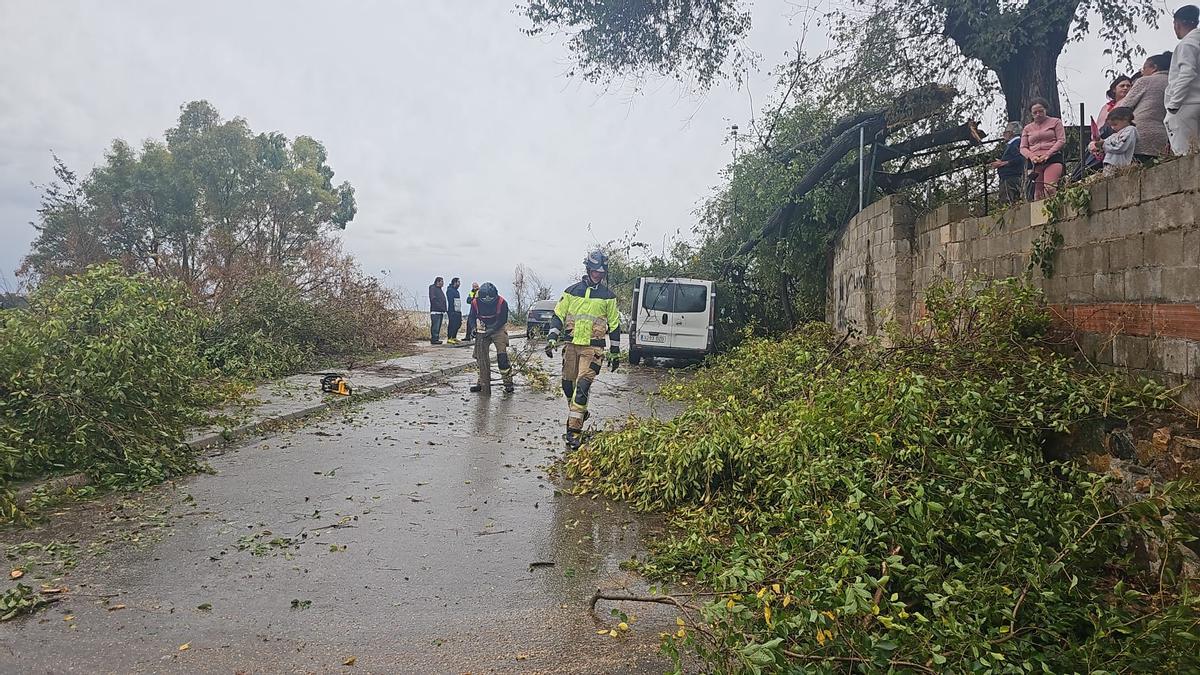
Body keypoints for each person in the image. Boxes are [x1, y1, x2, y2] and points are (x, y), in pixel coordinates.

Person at [544, 250, 621, 450]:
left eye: (601, 272)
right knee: (567, 386)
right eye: (595, 270)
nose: (598, 274)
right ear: (588, 269)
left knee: (582, 388)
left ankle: (573, 432)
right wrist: (552, 337)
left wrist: (615, 350)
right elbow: (558, 315)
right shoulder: (571, 292)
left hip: (593, 349)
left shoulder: (608, 297)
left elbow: (614, 324)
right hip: (571, 346)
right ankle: (578, 412)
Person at [1122, 51, 1173, 159]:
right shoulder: (1174, 83)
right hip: (1164, 138)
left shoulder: (1145, 81)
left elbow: (1123, 107)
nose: (1142, 72)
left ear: (1154, 67)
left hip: (1140, 135)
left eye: (1144, 68)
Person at [467, 282, 513, 393]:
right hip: (483, 329)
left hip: (498, 328)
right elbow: (471, 317)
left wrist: (493, 329)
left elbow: (503, 319)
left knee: (502, 357)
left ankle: (508, 383)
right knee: (480, 358)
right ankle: (482, 382)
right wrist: (473, 329)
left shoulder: (502, 302)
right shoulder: (475, 303)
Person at [1167, 5, 1200, 155]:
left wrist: (1174, 104)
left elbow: (1187, 73)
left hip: (1185, 104)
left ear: (1177, 24)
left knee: (1185, 153)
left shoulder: (1187, 43)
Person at [1020, 98, 1066, 199]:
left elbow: (1061, 140)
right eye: (1035, 112)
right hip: (1035, 163)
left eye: (1041, 111)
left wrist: (1048, 154)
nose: (1038, 114)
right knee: (1038, 194)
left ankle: (1053, 210)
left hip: (1052, 158)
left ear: (1046, 110)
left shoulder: (1055, 122)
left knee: (1050, 188)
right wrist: (1032, 157)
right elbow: (1023, 148)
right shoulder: (1027, 128)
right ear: (1031, 114)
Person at [990, 121, 1025, 204]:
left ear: (1011, 133)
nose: (1004, 135)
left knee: (1007, 200)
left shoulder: (1015, 143)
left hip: (1010, 177)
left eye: (1005, 132)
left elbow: (1020, 158)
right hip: (1010, 176)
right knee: (1013, 200)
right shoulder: (1013, 144)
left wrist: (1003, 163)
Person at [1102, 107, 1138, 174]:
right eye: (1111, 126)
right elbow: (1104, 143)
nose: (1113, 127)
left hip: (1119, 166)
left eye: (1115, 124)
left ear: (1125, 119)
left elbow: (1119, 147)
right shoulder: (1114, 135)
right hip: (1110, 164)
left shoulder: (1130, 130)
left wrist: (1103, 145)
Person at [427, 276, 447, 345]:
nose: (443, 283)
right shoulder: (432, 288)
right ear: (438, 282)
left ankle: (436, 338)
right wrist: (439, 306)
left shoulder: (440, 289)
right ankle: (434, 339)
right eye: (442, 281)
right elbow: (433, 299)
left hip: (441, 311)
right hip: (435, 311)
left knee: (438, 326)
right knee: (435, 326)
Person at [445, 277, 463, 344]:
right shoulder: (450, 290)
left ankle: (454, 337)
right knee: (452, 324)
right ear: (455, 283)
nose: (459, 284)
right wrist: (453, 311)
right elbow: (451, 301)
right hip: (452, 310)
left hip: (458, 310)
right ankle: (450, 338)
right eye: (458, 282)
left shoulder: (457, 291)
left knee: (458, 324)